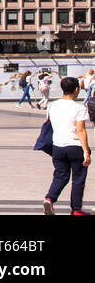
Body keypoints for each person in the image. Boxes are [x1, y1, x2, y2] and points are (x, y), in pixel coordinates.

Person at [44, 76, 91, 215]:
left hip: (58, 146)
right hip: (75, 146)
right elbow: (80, 130)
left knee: (61, 175)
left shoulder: (52, 105)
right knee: (78, 179)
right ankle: (76, 209)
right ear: (76, 89)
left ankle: (49, 199)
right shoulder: (79, 108)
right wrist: (86, 151)